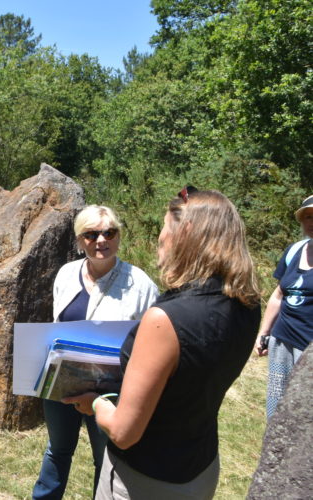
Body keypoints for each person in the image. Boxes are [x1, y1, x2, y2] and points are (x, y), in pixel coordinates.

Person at [66, 188, 261, 499]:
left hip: (143, 479)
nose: (158, 237)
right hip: (201, 468)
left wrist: (97, 404)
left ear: (185, 235)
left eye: (164, 226)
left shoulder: (164, 320)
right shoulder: (247, 304)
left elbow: (123, 432)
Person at [32, 205, 159, 500]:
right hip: (63, 381)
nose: (101, 240)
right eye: (91, 234)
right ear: (79, 241)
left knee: (106, 459)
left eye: (109, 232)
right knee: (57, 449)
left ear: (118, 236)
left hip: (110, 389)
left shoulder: (141, 285)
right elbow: (56, 327)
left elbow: (149, 343)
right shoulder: (65, 275)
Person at [254, 194, 313, 418]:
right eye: (307, 216)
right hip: (282, 340)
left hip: (309, 346)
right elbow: (279, 294)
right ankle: (275, 448)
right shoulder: (295, 251)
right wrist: (264, 333)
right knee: (277, 401)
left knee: (305, 409)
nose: (311, 222)